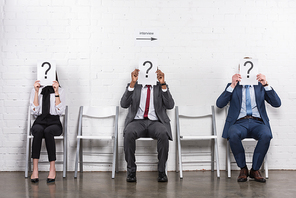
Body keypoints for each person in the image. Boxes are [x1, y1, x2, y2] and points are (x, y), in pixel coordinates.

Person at [216, 71, 281, 183]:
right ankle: (243, 169)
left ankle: (255, 170)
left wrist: (266, 84)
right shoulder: (233, 86)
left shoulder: (260, 86)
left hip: (258, 123)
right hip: (239, 123)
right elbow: (219, 104)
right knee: (232, 134)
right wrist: (232, 85)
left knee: (267, 134)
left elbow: (277, 103)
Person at [120, 68, 174, 182]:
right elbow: (124, 104)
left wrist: (163, 83)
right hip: (137, 121)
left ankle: (161, 171)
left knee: (163, 132)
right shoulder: (135, 86)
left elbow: (170, 105)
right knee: (129, 132)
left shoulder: (161, 86)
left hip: (155, 122)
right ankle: (131, 171)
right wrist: (133, 83)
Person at [29, 78, 66, 183]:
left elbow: (60, 111)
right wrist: (36, 92)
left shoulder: (60, 90)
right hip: (40, 120)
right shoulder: (35, 90)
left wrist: (56, 92)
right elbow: (34, 111)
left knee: (48, 131)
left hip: (54, 122)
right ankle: (35, 170)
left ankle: (52, 169)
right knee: (38, 130)